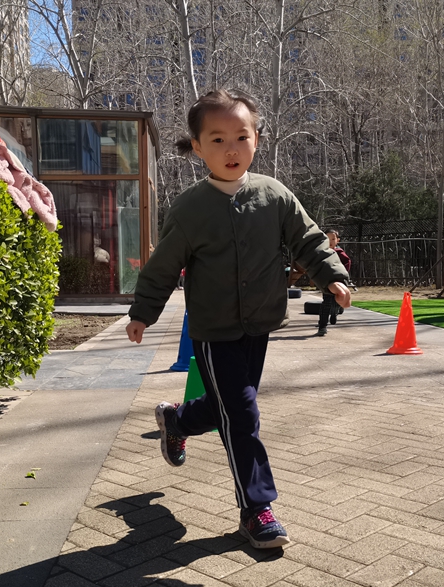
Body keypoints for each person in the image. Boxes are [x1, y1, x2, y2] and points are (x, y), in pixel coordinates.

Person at [125, 89, 351, 550]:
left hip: (260, 323)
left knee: (229, 406)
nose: (231, 149)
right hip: (214, 330)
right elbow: (163, 267)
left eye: (241, 137)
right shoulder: (190, 209)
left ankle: (177, 420)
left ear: (256, 140)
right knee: (243, 413)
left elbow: (309, 240)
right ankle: (256, 509)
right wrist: (143, 312)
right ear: (197, 146)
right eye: (217, 139)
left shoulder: (275, 195)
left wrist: (333, 276)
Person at [317, 229, 352, 335]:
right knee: (326, 302)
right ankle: (322, 326)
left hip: (339, 281)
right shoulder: (321, 253)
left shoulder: (340, 253)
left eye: (333, 239)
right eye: (327, 239)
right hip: (327, 282)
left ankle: (335, 311)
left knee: (336, 301)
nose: (330, 242)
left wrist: (343, 275)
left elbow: (347, 263)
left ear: (337, 240)